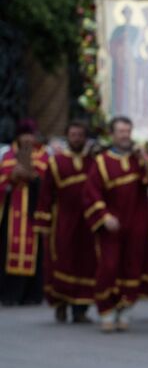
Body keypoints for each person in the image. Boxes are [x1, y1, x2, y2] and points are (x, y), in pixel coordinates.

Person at [82, 116, 148, 332]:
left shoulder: (139, 158)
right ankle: (106, 309)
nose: (125, 135)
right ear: (112, 134)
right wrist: (104, 215)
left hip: (137, 222)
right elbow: (91, 193)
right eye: (121, 131)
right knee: (108, 267)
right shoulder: (102, 162)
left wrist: (145, 159)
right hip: (112, 225)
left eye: (128, 131)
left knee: (133, 266)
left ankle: (126, 308)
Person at [33, 120, 95, 322]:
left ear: (85, 138)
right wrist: (43, 222)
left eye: (80, 135)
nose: (77, 138)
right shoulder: (56, 162)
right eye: (73, 134)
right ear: (67, 136)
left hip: (87, 222)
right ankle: (61, 304)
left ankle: (81, 310)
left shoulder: (94, 161)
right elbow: (46, 194)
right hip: (64, 220)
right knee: (62, 261)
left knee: (86, 262)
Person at [0, 119, 48, 305]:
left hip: (33, 211)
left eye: (30, 135)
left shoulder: (43, 156)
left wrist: (33, 178)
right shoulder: (7, 156)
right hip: (11, 213)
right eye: (24, 135)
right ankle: (9, 294)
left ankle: (32, 295)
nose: (28, 139)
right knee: (7, 249)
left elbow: (48, 185)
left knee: (35, 251)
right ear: (18, 136)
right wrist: (12, 177)